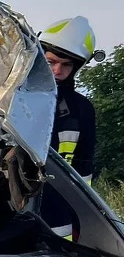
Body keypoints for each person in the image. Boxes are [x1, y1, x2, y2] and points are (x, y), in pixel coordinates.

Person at [38, 16, 100, 239]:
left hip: (58, 221)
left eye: (66, 65)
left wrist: (82, 217)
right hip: (2, 212)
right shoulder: (13, 99)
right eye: (50, 62)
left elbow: (84, 169)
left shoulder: (81, 109)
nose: (57, 71)